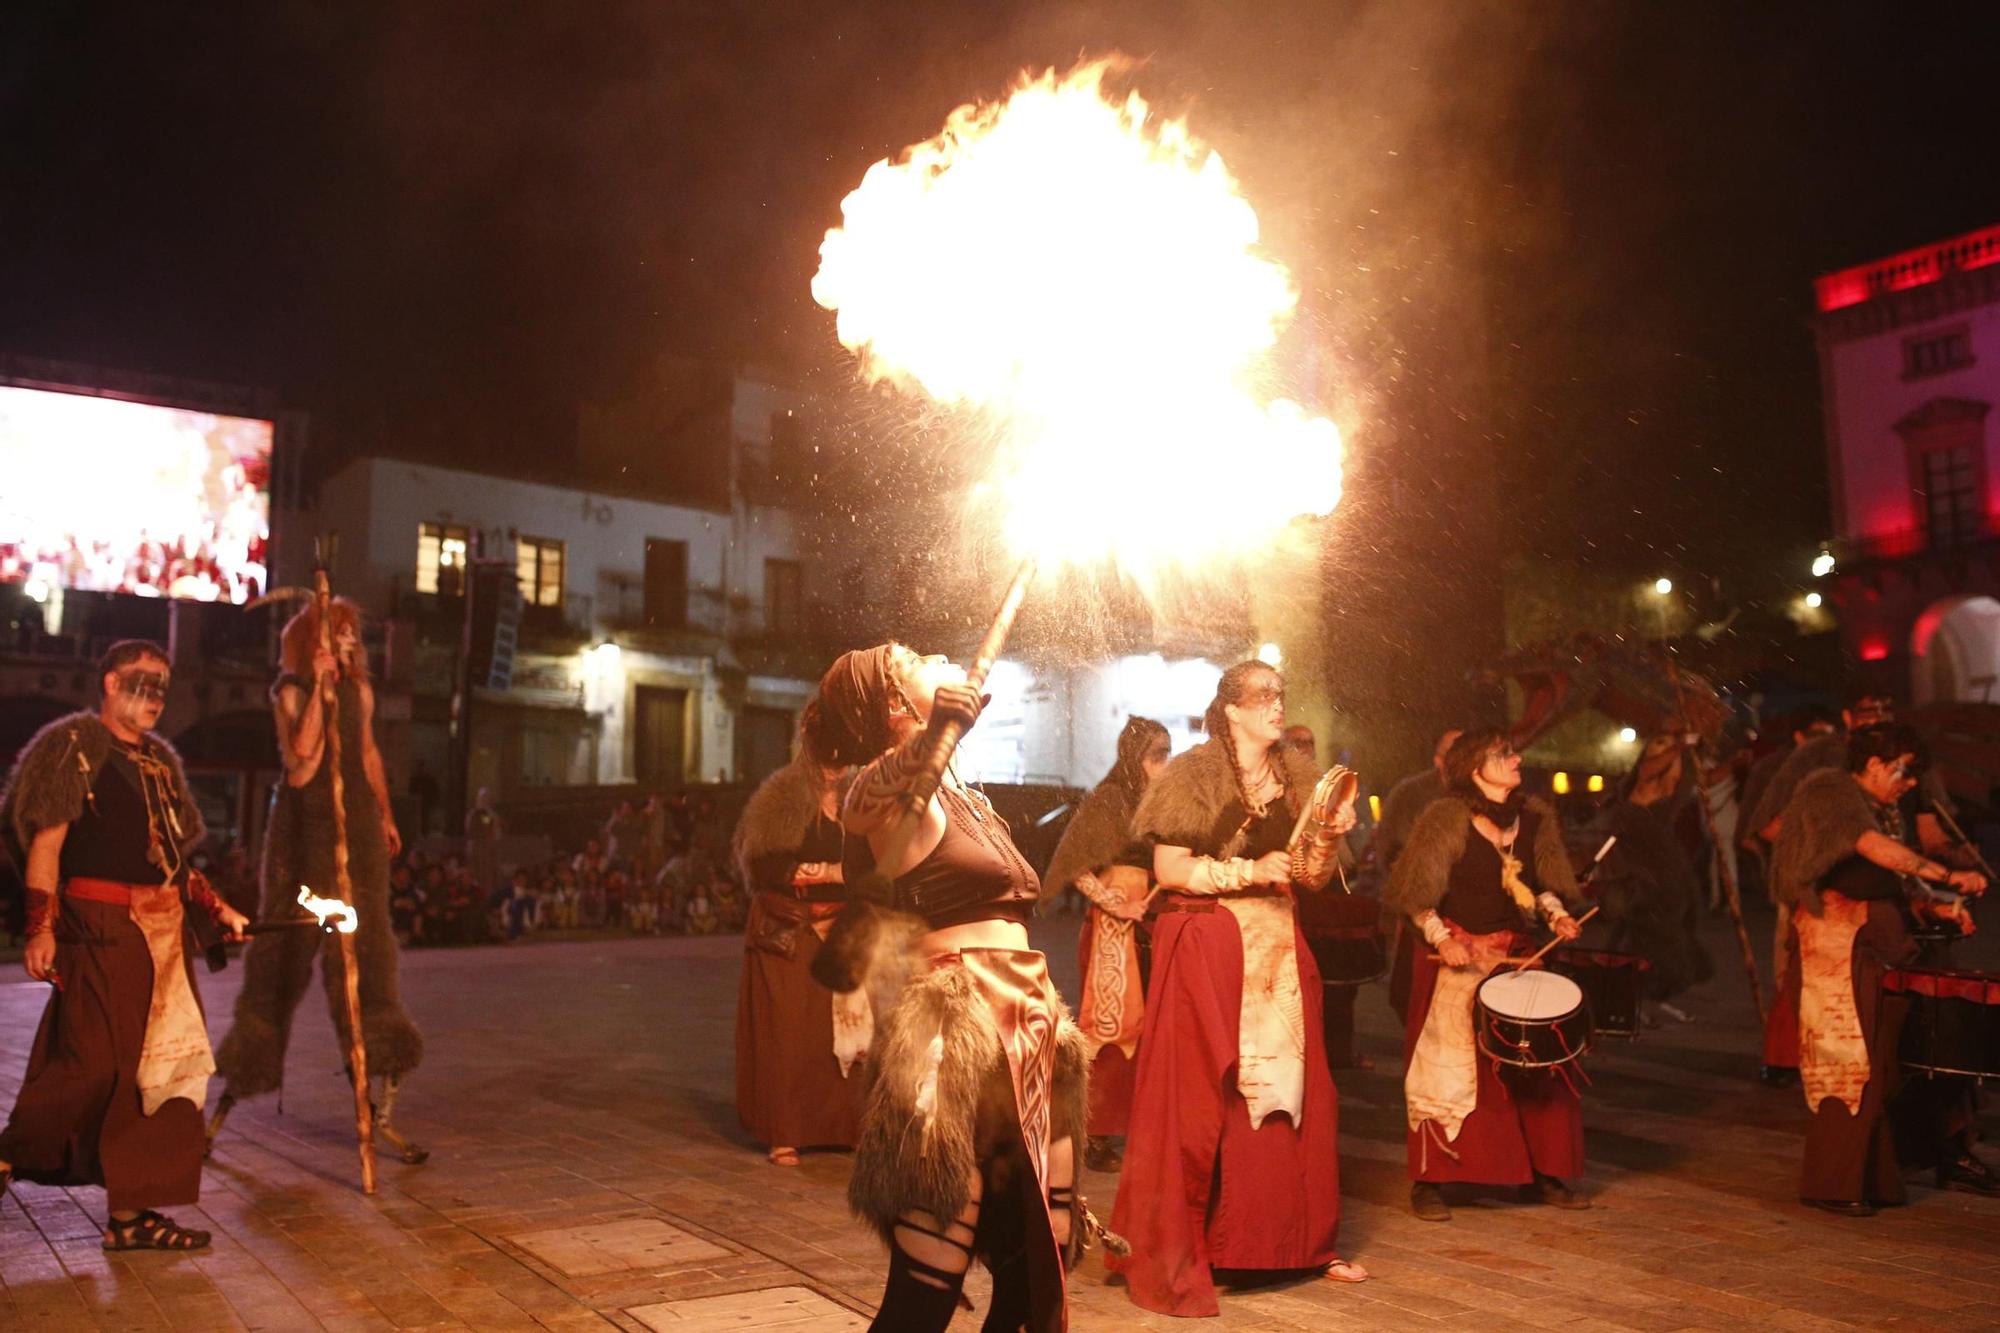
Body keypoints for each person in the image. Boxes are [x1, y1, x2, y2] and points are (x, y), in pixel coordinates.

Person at [805, 643, 1089, 1333]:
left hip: (1025, 1030)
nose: (934, 653)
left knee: (1037, 1263)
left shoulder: (967, 797)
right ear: (896, 706)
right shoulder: (897, 799)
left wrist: (940, 744)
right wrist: (929, 742)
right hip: (952, 1041)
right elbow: (858, 799)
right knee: (926, 1288)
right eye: (911, 658)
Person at [1108, 660, 1368, 1317]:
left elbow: (1311, 875)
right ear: (1230, 709)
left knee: (1300, 1094)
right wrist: (1248, 867)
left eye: (1281, 694)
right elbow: (1170, 868)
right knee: (1208, 1098)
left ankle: (1293, 1245)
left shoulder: (1297, 778)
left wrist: (1326, 838)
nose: (1277, 707)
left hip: (1279, 945)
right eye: (1262, 697)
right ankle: (1210, 1241)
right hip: (1209, 944)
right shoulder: (1195, 773)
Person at [0, 640, 249, 1250]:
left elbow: (171, 863)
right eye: (142, 681)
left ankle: (134, 1215)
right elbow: (46, 848)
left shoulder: (160, 763)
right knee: (92, 1063)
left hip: (161, 937)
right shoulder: (75, 747)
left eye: (163, 684)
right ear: (110, 683)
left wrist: (218, 908)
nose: (154, 696)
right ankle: (8, 1156)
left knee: (160, 1073)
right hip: (100, 926)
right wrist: (40, 927)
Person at [211, 597, 427, 1164]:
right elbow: (303, 761)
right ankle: (242, 1075)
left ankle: (381, 1084)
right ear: (315, 643)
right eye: (341, 634)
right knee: (280, 962)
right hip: (303, 837)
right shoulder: (290, 691)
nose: (353, 642)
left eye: (355, 633)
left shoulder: (361, 690)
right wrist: (319, 695)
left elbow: (368, 752)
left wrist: (383, 812)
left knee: (368, 953)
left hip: (354, 831)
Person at [1768, 723, 1996, 1214]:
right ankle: (1834, 1184)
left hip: (1879, 952)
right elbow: (1873, 851)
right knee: (1852, 1069)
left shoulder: (1878, 807)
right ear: (1874, 763)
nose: (1909, 783)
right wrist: (1948, 875)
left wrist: (1936, 906)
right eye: (1904, 771)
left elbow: (1885, 880)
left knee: (1891, 1066)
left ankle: (1882, 1174)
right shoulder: (1830, 790)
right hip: (1837, 955)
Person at [1385, 728, 1588, 1223]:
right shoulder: (1445, 818)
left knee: (1537, 1066)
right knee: (1445, 1073)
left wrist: (1557, 915)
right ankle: (1431, 1181)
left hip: (1516, 958)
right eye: (1503, 754)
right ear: (1475, 768)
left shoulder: (1533, 818)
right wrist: (1445, 940)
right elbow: (1417, 899)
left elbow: (1539, 887)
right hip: (1461, 958)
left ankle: (1542, 1172)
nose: (1516, 759)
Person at [1040, 716, 1169, 1172]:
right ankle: (1095, 1135)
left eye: (1165, 754)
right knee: (1111, 1030)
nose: (1162, 764)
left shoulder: (1156, 803)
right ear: (1135, 757)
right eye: (1155, 755)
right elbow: (1077, 867)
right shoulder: (1110, 799)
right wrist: (1117, 905)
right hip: (1114, 929)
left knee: (1149, 1029)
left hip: (1150, 922)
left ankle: (1139, 1129)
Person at [733, 744, 869, 1167]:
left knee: (845, 1035)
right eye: (828, 751)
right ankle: (786, 1132)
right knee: (788, 1033)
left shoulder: (863, 795)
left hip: (845, 928)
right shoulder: (782, 795)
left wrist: (849, 879)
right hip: (789, 928)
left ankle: (845, 1128)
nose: (836, 762)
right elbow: (762, 864)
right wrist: (833, 873)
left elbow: (878, 861)